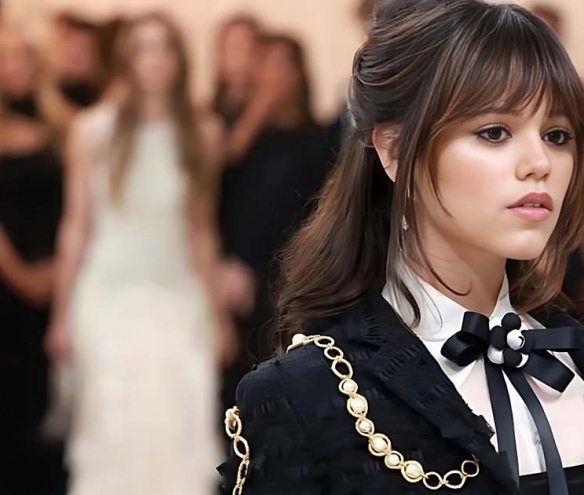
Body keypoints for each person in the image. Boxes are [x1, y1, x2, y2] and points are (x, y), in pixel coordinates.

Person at [218, 1, 584, 494]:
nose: (539, 162)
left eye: (557, 135)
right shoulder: (306, 394)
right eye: (494, 132)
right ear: (394, 150)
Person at [44, 12, 236, 495]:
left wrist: (218, 314)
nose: (154, 60)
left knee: (181, 424)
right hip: (108, 295)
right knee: (115, 426)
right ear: (125, 60)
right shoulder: (92, 130)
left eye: (164, 48)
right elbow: (76, 225)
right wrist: (61, 314)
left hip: (178, 296)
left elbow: (202, 230)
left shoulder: (203, 133)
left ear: (180, 59)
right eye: (143, 49)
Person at [217, 33, 334, 404]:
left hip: (292, 274)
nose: (274, 75)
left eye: (283, 65)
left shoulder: (320, 139)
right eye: (265, 65)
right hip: (239, 275)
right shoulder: (235, 135)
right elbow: (223, 187)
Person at [0, 27, 67, 495]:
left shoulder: (60, 126)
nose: (19, 66)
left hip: (57, 282)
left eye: (27, 56)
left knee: (45, 405)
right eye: (9, 57)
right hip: (8, 285)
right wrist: (20, 275)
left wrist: (60, 268)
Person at [211, 14, 262, 128]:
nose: (237, 57)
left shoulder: (275, 113)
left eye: (244, 47)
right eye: (230, 47)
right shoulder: (205, 116)